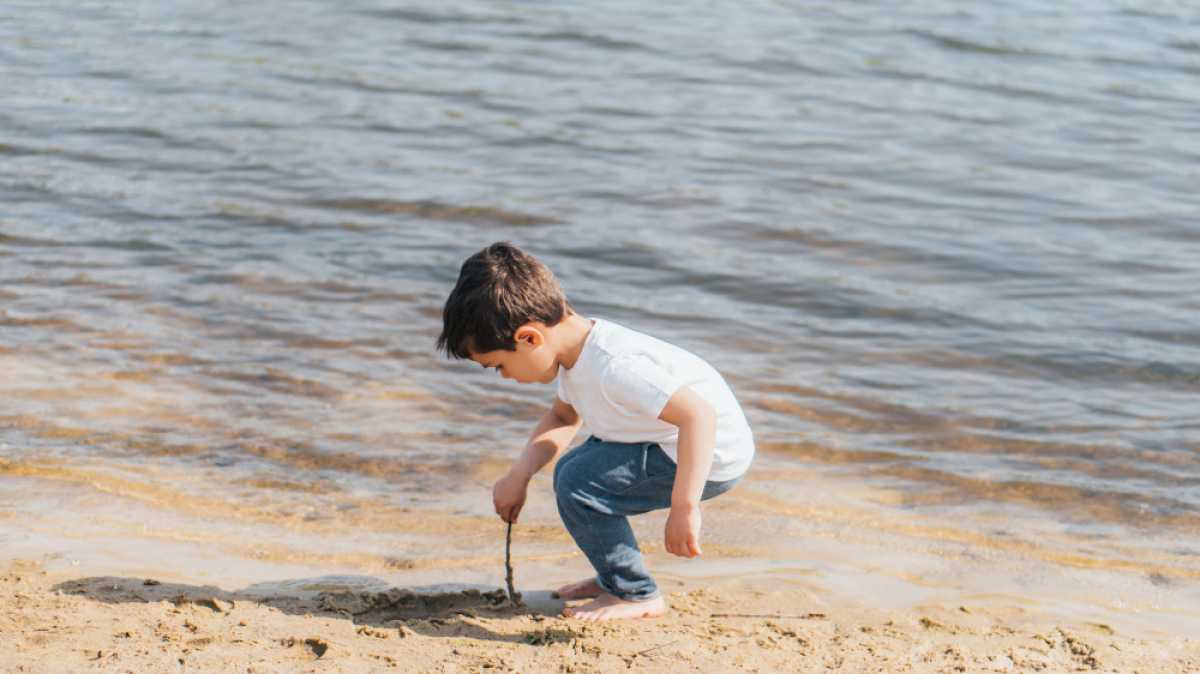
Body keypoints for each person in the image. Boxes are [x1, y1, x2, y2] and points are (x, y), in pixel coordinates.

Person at [436, 242, 755, 621]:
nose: (504, 377)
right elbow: (561, 419)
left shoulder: (615, 366)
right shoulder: (575, 354)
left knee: (580, 484)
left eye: (498, 366)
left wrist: (686, 508)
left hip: (711, 453)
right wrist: (518, 475)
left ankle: (636, 593)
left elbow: (699, 416)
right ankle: (613, 576)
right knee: (577, 467)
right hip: (665, 438)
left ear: (529, 338)